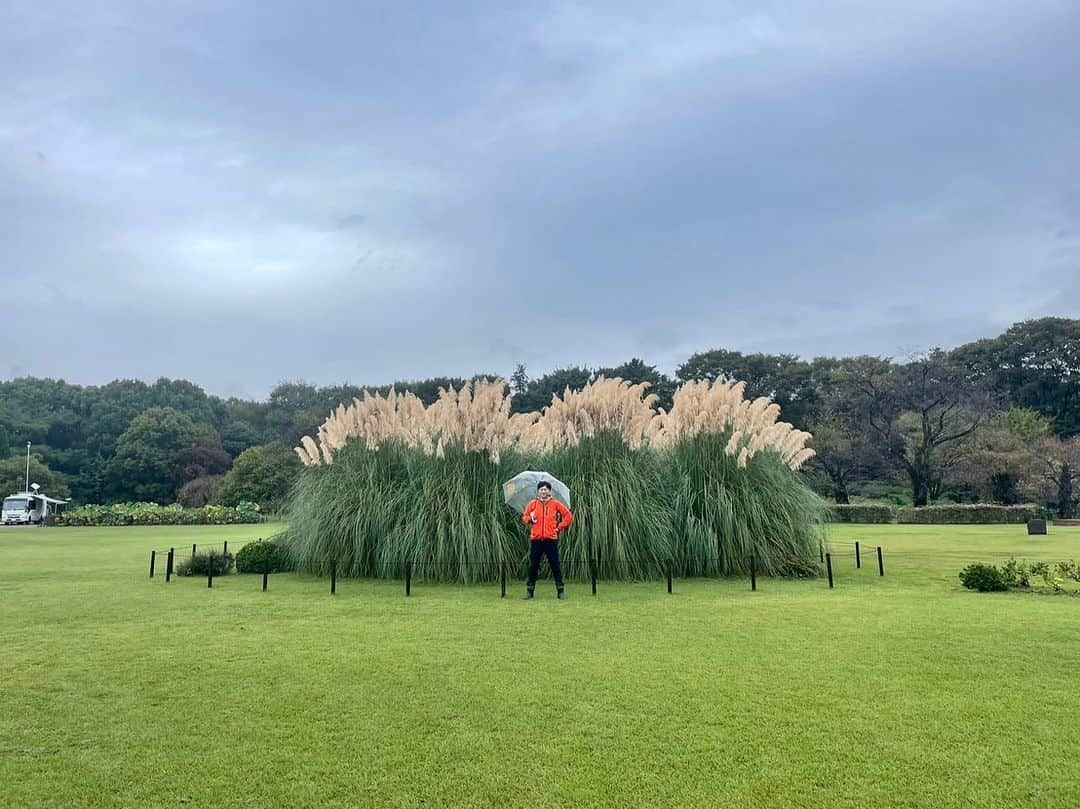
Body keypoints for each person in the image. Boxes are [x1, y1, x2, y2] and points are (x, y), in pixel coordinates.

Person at [522, 481, 574, 600]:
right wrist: (531, 518)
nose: (543, 491)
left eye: (545, 489)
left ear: (549, 491)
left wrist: (559, 528)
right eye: (541, 489)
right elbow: (524, 517)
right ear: (538, 491)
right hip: (536, 540)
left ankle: (560, 592)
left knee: (555, 565)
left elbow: (568, 516)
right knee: (533, 566)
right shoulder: (533, 504)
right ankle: (530, 592)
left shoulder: (556, 504)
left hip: (551, 539)